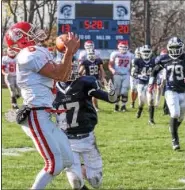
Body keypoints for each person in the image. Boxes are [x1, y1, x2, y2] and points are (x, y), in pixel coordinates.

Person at [4, 21, 80, 189]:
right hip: (35, 114)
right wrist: (68, 51)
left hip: (44, 114)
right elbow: (60, 75)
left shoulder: (37, 51)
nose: (36, 33)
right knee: (54, 164)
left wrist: (70, 53)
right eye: (30, 32)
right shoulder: (28, 54)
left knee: (68, 158)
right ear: (22, 39)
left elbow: (65, 75)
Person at [53, 62, 117, 190]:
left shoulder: (84, 83)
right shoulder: (50, 88)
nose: (70, 71)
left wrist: (112, 93)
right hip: (66, 140)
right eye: (67, 68)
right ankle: (78, 169)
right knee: (75, 182)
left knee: (95, 182)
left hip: (87, 138)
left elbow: (111, 99)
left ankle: (82, 168)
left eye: (72, 68)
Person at [148, 37, 185, 150]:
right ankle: (175, 140)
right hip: (170, 90)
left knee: (181, 116)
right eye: (173, 47)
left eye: (177, 47)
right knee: (174, 114)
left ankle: (172, 127)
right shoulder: (164, 59)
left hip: (183, 90)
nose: (175, 50)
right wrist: (151, 84)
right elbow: (154, 71)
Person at [132, 45, 156, 125]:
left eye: (147, 52)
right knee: (141, 101)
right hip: (141, 83)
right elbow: (133, 73)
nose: (146, 53)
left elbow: (158, 71)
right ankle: (140, 109)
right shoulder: (137, 61)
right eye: (144, 52)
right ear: (141, 52)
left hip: (150, 83)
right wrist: (139, 75)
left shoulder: (154, 61)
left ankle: (151, 119)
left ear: (151, 52)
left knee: (151, 100)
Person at [108, 41, 134, 112]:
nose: (123, 48)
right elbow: (110, 64)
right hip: (117, 74)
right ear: (118, 47)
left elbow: (133, 65)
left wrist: (132, 72)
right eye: (122, 47)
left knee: (124, 91)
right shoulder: (115, 54)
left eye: (125, 47)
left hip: (126, 74)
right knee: (117, 91)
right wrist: (113, 70)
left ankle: (123, 106)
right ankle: (116, 105)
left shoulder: (130, 55)